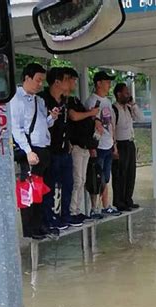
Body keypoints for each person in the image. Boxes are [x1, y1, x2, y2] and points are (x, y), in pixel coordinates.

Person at [10, 63, 59, 239]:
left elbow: (41, 125)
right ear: (27, 78)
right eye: (38, 80)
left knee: (40, 190)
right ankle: (30, 230)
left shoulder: (40, 100)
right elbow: (16, 128)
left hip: (43, 148)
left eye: (42, 81)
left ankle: (40, 225)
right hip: (30, 150)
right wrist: (28, 151)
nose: (40, 84)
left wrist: (51, 118)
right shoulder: (16, 98)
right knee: (28, 191)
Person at [37, 67, 83, 231]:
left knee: (68, 184)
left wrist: (69, 141)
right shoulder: (42, 100)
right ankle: (49, 218)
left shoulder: (64, 100)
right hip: (50, 151)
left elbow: (67, 124)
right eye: (66, 79)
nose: (69, 83)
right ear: (57, 82)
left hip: (65, 150)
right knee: (49, 186)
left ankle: (65, 215)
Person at [66, 68, 101, 222]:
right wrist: (91, 114)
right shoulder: (67, 102)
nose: (75, 83)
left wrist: (95, 118)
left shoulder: (75, 100)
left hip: (86, 146)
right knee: (77, 180)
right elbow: (73, 116)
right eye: (72, 80)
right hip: (76, 146)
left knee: (83, 180)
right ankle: (72, 211)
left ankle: (77, 210)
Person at [84, 71, 121, 216]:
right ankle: (94, 208)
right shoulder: (92, 101)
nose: (109, 84)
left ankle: (106, 206)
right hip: (97, 146)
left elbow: (110, 124)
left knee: (106, 177)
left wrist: (114, 144)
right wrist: (92, 147)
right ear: (98, 83)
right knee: (95, 177)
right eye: (106, 81)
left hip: (108, 144)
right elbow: (89, 124)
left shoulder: (107, 102)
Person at [111, 83, 144, 211]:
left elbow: (141, 118)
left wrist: (133, 105)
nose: (128, 94)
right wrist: (114, 148)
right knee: (120, 173)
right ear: (119, 94)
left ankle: (128, 199)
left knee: (131, 173)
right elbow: (112, 128)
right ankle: (119, 201)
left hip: (130, 143)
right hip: (120, 144)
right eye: (126, 93)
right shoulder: (114, 109)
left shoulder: (129, 109)